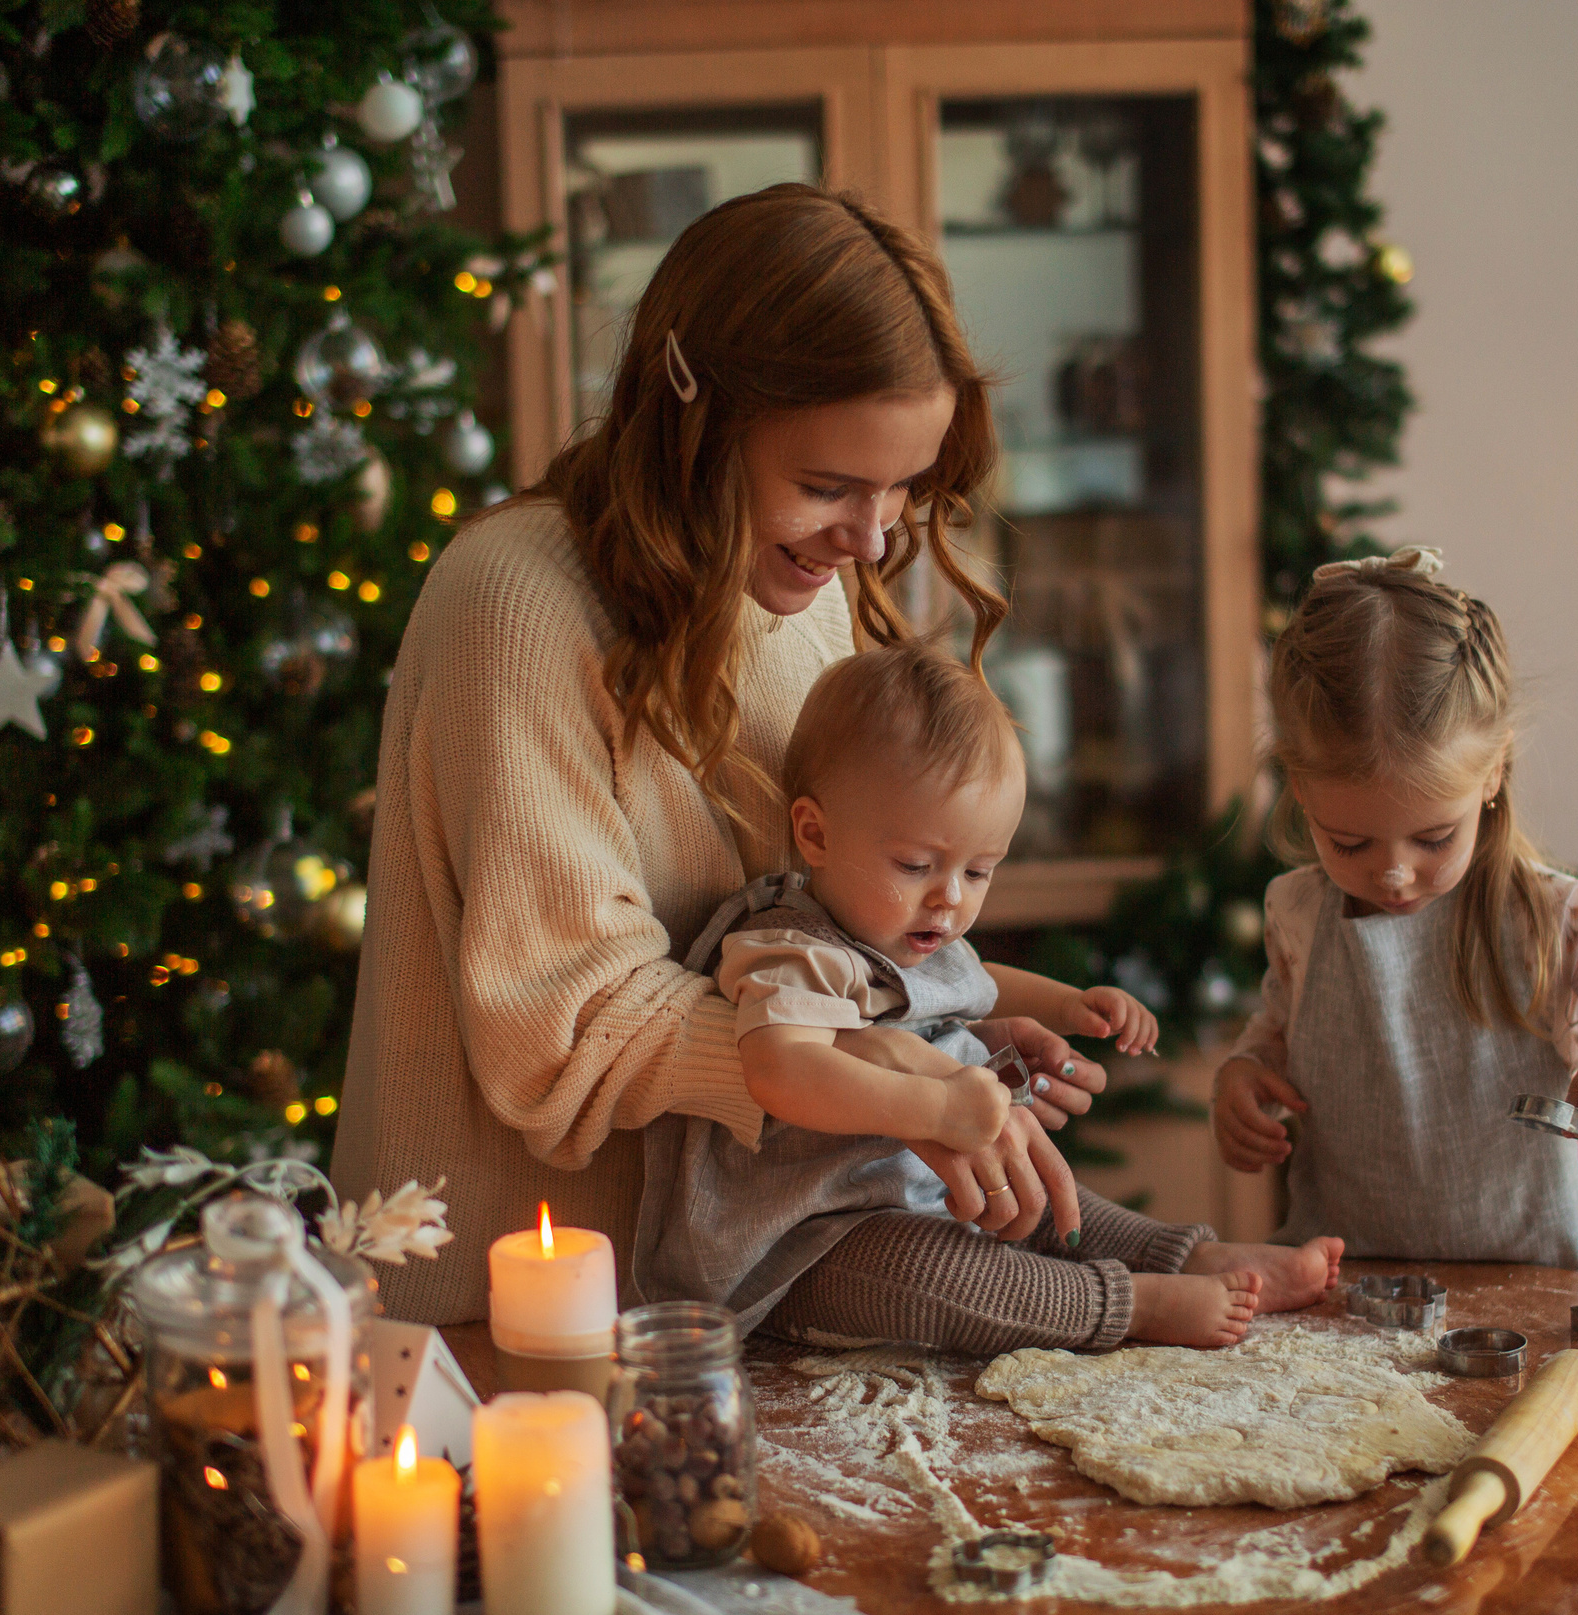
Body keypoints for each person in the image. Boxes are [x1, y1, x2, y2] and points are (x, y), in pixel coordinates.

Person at [331, 184, 1102, 1325]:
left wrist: (943, 1033)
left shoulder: (806, 590)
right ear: (692, 422)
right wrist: (884, 1080)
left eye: (900, 487)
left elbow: (803, 925)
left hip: (727, 1285)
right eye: (825, 486)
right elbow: (569, 1028)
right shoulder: (515, 605)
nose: (872, 538)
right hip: (503, 1311)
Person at [642, 642, 1346, 1353]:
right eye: (916, 864)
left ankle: (1185, 1254)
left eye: (979, 871)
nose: (949, 898)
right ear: (815, 834)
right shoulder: (791, 949)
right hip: (809, 1248)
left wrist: (1069, 1003)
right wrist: (938, 1105)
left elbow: (978, 984)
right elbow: (779, 1068)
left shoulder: (914, 932)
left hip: (928, 1195)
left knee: (1046, 1192)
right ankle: (1127, 1304)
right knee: (942, 1273)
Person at [1211, 547, 1578, 1276]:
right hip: (1347, 1299)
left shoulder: (1558, 919)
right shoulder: (1297, 912)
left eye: (1434, 836)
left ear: (1493, 772)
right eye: (1349, 841)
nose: (1394, 871)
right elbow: (1275, 1038)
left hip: (1534, 1294)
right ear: (1300, 790)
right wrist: (1244, 1080)